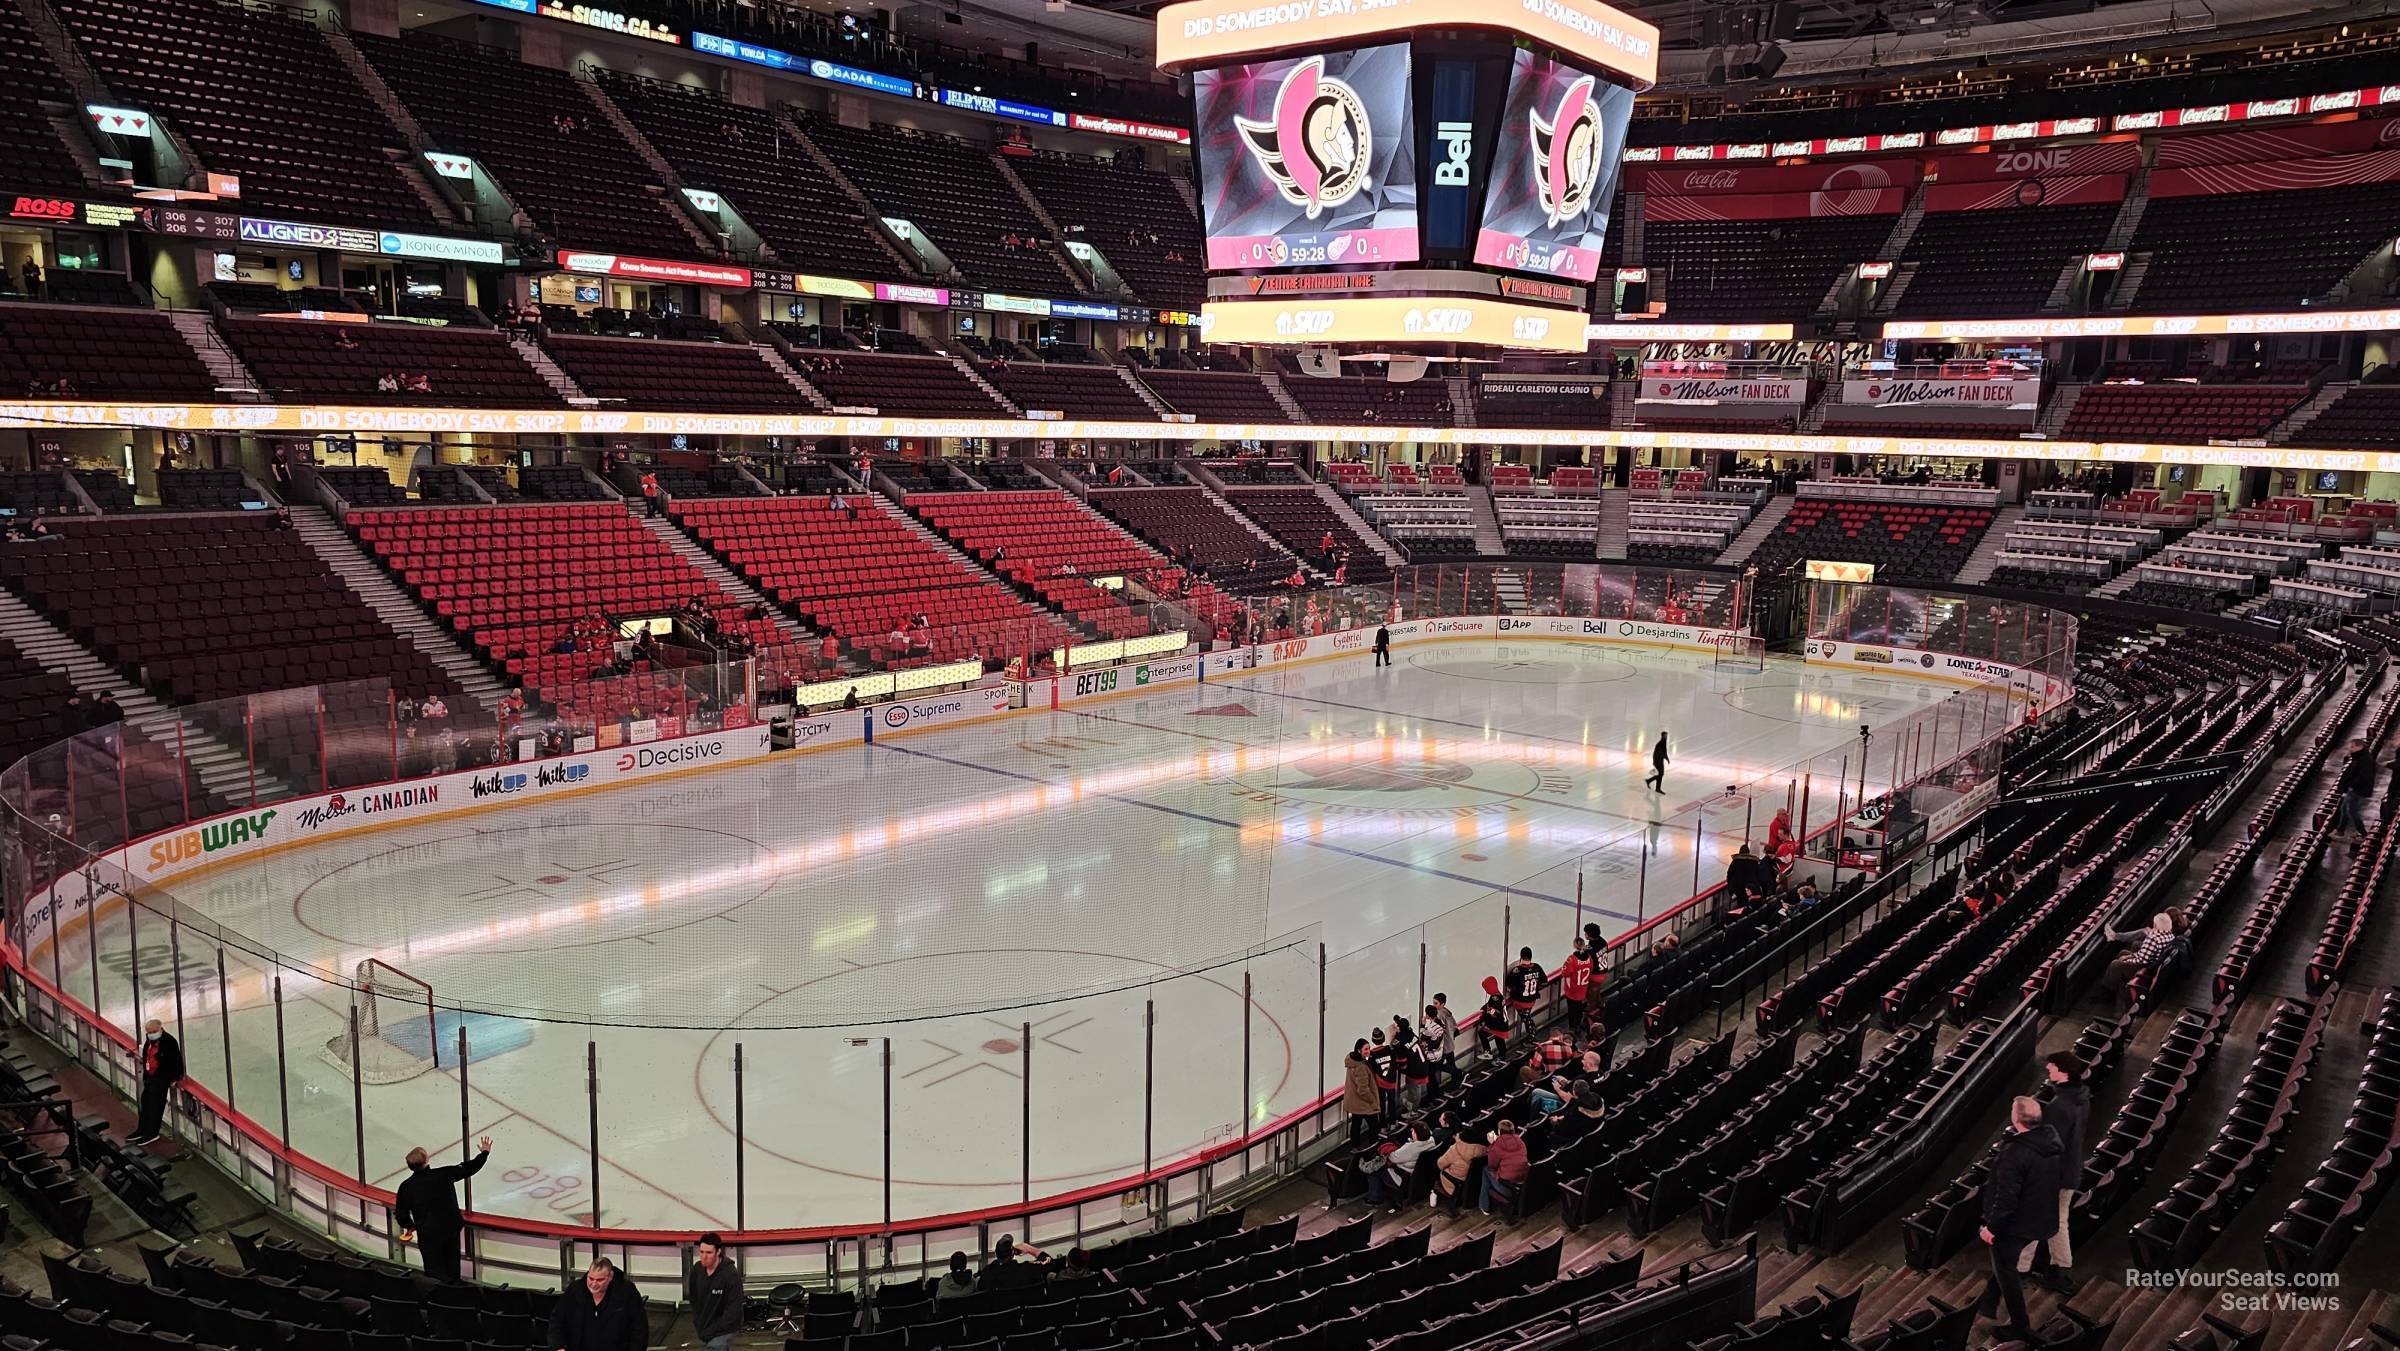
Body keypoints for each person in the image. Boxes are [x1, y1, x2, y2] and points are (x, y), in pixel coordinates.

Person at [1974, 1097, 2064, 1346]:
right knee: (2005, 1261)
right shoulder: (2050, 1142)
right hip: (2040, 1218)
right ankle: (1988, 1301)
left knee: (2006, 1269)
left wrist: (1992, 1227)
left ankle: (2021, 1326)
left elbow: (2006, 1198)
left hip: (2016, 1223)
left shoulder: (2015, 1152)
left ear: (2016, 1119)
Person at [394, 1135, 492, 1283]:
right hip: (449, 1230)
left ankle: (436, 1298)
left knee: (433, 1270)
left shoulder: (406, 1186)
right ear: (427, 1160)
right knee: (452, 1268)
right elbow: (468, 1168)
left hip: (428, 1234)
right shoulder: (444, 1175)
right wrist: (484, 1153)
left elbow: (401, 1213)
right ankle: (452, 1295)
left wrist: (410, 1226)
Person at [2030, 1052, 2088, 1295]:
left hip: (2056, 1175)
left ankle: (2025, 1269)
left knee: (2041, 1220)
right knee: (2056, 1220)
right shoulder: (2082, 1096)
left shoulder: (2058, 1107)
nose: (2049, 1072)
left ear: (2063, 1071)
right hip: (2071, 1169)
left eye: (2052, 1068)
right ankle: (2058, 1270)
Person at [548, 1256, 645, 1351]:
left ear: (610, 1276)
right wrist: (558, 1347)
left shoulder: (627, 1292)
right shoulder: (575, 1290)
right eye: (591, 1278)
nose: (594, 1284)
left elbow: (639, 1330)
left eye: (600, 1280)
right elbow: (557, 1320)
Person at [2103, 911, 2184, 1007]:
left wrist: (2125, 960)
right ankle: (2115, 982)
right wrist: (2129, 956)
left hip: (2145, 968)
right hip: (2152, 961)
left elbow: (2141, 960)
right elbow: (2144, 954)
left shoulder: (2153, 938)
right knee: (2123, 953)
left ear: (2155, 924)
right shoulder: (2170, 936)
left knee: (2115, 964)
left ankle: (2108, 991)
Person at [1362, 1119, 1437, 1212]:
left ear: (1417, 1134)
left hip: (1403, 1176)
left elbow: (1392, 1157)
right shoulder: (1431, 1141)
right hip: (1419, 1174)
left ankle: (1375, 1198)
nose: (1411, 1131)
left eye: (1413, 1131)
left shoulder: (1411, 1148)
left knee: (1375, 1169)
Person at [687, 1232, 743, 1351]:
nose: (704, 1256)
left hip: (724, 1331)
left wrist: (713, 1330)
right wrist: (698, 1322)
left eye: (709, 1253)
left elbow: (733, 1312)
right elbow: (693, 1298)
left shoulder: (731, 1275)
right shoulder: (697, 1270)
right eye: (701, 1252)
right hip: (704, 1328)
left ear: (718, 1252)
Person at [130, 1018, 183, 1145]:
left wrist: (174, 1078)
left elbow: (176, 1061)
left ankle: (152, 1133)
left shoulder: (169, 1042)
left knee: (155, 1106)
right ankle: (142, 1130)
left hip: (161, 1079)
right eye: (149, 1032)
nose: (151, 1034)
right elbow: (146, 1057)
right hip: (150, 1077)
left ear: (161, 1028)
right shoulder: (149, 1042)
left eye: (154, 1031)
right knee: (145, 1103)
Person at [1480, 1119, 1529, 1218]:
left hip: (1508, 1187)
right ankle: (1488, 1203)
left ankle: (1484, 1206)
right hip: (1523, 1181)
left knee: (1486, 1170)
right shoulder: (1520, 1141)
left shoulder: (1497, 1145)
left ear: (1499, 1131)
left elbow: (1492, 1166)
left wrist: (1492, 1143)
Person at [1433, 1127, 1485, 1216]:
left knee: (1440, 1172)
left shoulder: (1455, 1149)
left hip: (1454, 1182)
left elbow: (1440, 1164)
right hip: (1473, 1182)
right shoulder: (1483, 1149)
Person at [1342, 1038, 1380, 1143]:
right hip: (1363, 1104)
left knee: (1356, 1123)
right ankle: (1373, 1146)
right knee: (1374, 1125)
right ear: (1359, 1050)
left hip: (1355, 1102)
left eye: (1369, 1048)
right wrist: (1372, 1100)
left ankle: (1355, 1146)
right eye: (1366, 1049)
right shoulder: (1361, 1067)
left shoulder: (1353, 1061)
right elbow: (1363, 1090)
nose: (1369, 1051)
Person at [1505, 946, 1545, 1035]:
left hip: (1520, 1001)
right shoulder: (1537, 967)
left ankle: (1532, 1036)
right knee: (1526, 1017)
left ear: (1521, 957)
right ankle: (1532, 1034)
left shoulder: (1517, 970)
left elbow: (1508, 985)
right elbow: (1544, 981)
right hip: (1532, 1000)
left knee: (1526, 1018)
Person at [1559, 942, 1594, 1037]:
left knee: (1571, 1008)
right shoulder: (1589, 958)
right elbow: (1591, 969)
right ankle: (1578, 1025)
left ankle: (1572, 1027)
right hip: (1582, 988)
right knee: (1578, 1007)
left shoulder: (1572, 959)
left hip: (1572, 989)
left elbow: (1565, 972)